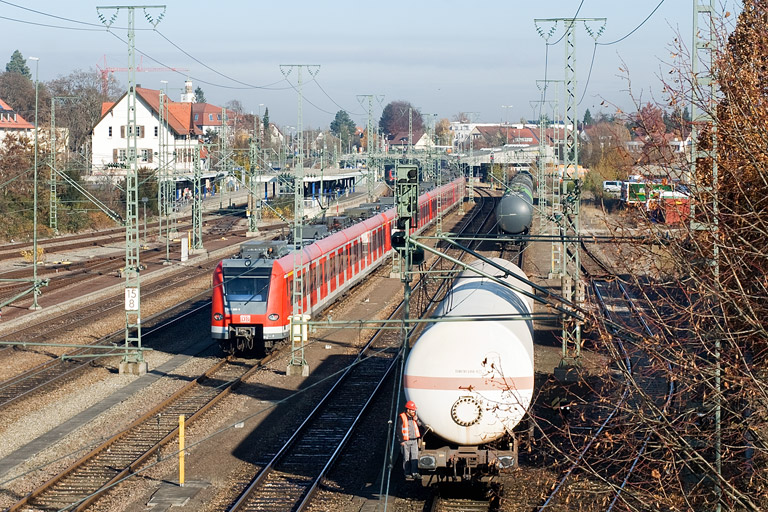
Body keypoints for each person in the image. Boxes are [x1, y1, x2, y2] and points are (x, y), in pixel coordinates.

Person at [397, 400, 424, 480]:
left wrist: (416, 420)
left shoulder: (414, 417)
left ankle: (415, 473)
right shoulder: (402, 417)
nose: (413, 411)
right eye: (412, 410)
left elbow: (420, 425)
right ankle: (407, 473)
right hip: (406, 441)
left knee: (414, 457)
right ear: (408, 410)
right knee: (406, 458)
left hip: (414, 440)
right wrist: (401, 440)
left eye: (414, 410)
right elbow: (398, 429)